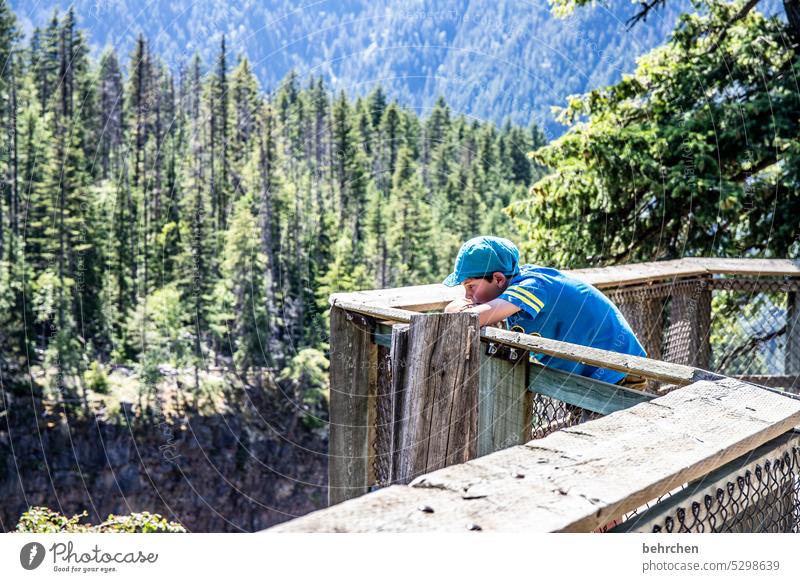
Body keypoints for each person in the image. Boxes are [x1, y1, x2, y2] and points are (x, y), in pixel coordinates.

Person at [442, 235, 648, 390]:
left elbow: (472, 318)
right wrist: (455, 307)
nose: (468, 295)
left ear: (498, 279)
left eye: (471, 286)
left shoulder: (533, 285)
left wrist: (459, 308)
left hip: (619, 371)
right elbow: (457, 311)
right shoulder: (515, 291)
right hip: (588, 376)